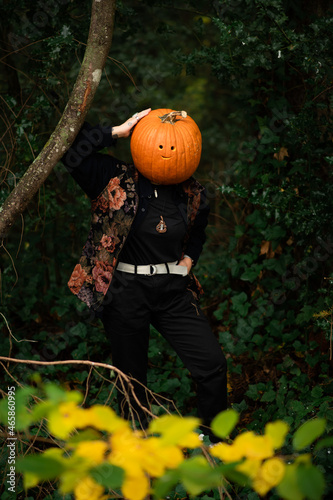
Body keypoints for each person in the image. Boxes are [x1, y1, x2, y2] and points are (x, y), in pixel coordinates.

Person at [62, 108, 227, 438]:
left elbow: (197, 233)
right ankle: (139, 450)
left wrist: (188, 262)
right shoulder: (111, 176)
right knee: (132, 378)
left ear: (190, 149)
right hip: (125, 290)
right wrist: (119, 131)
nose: (167, 151)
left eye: (175, 146)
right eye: (160, 145)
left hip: (172, 290)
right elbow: (69, 153)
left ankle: (217, 440)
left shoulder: (193, 193)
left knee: (211, 364)